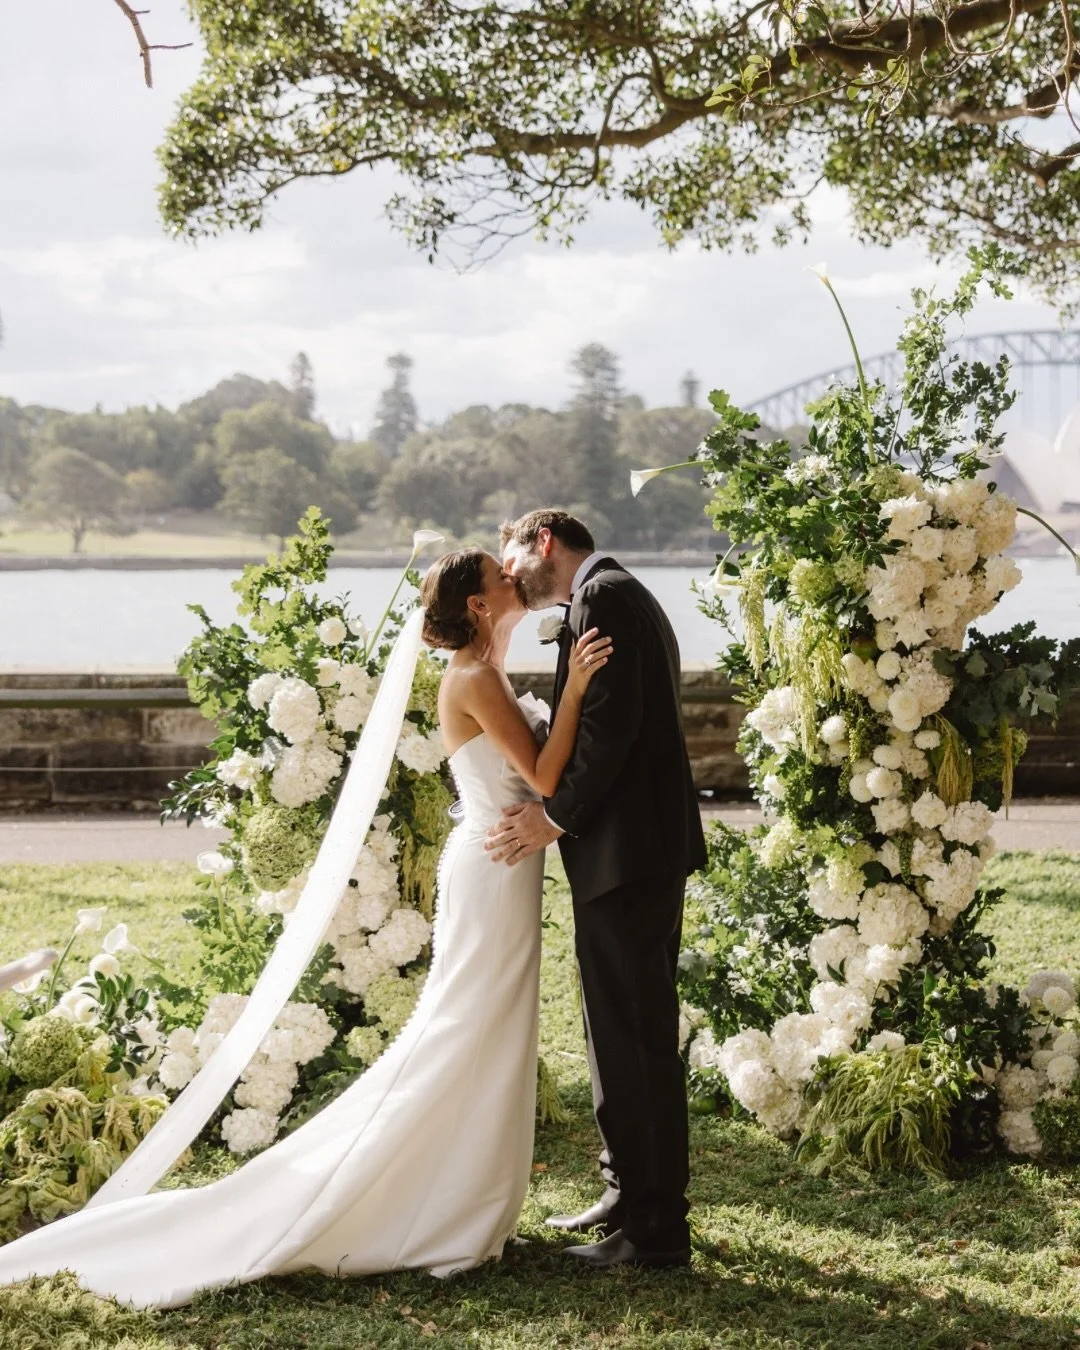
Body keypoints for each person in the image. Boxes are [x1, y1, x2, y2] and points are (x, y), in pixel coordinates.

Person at [0, 548, 611, 1308]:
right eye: (499, 577)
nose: (512, 579)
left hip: (501, 865)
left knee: (491, 1031)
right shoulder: (476, 678)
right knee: (466, 1029)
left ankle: (463, 1194)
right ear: (481, 606)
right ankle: (438, 1205)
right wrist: (579, 686)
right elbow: (547, 779)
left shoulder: (485, 664)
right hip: (493, 869)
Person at [491, 509, 707, 1270]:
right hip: (632, 852)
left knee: (636, 1037)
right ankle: (626, 1193)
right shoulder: (613, 593)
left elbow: (613, 729)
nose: (509, 570)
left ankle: (654, 1232)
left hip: (629, 854)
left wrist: (554, 817)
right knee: (615, 1028)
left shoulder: (604, 597)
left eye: (511, 553)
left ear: (543, 541)